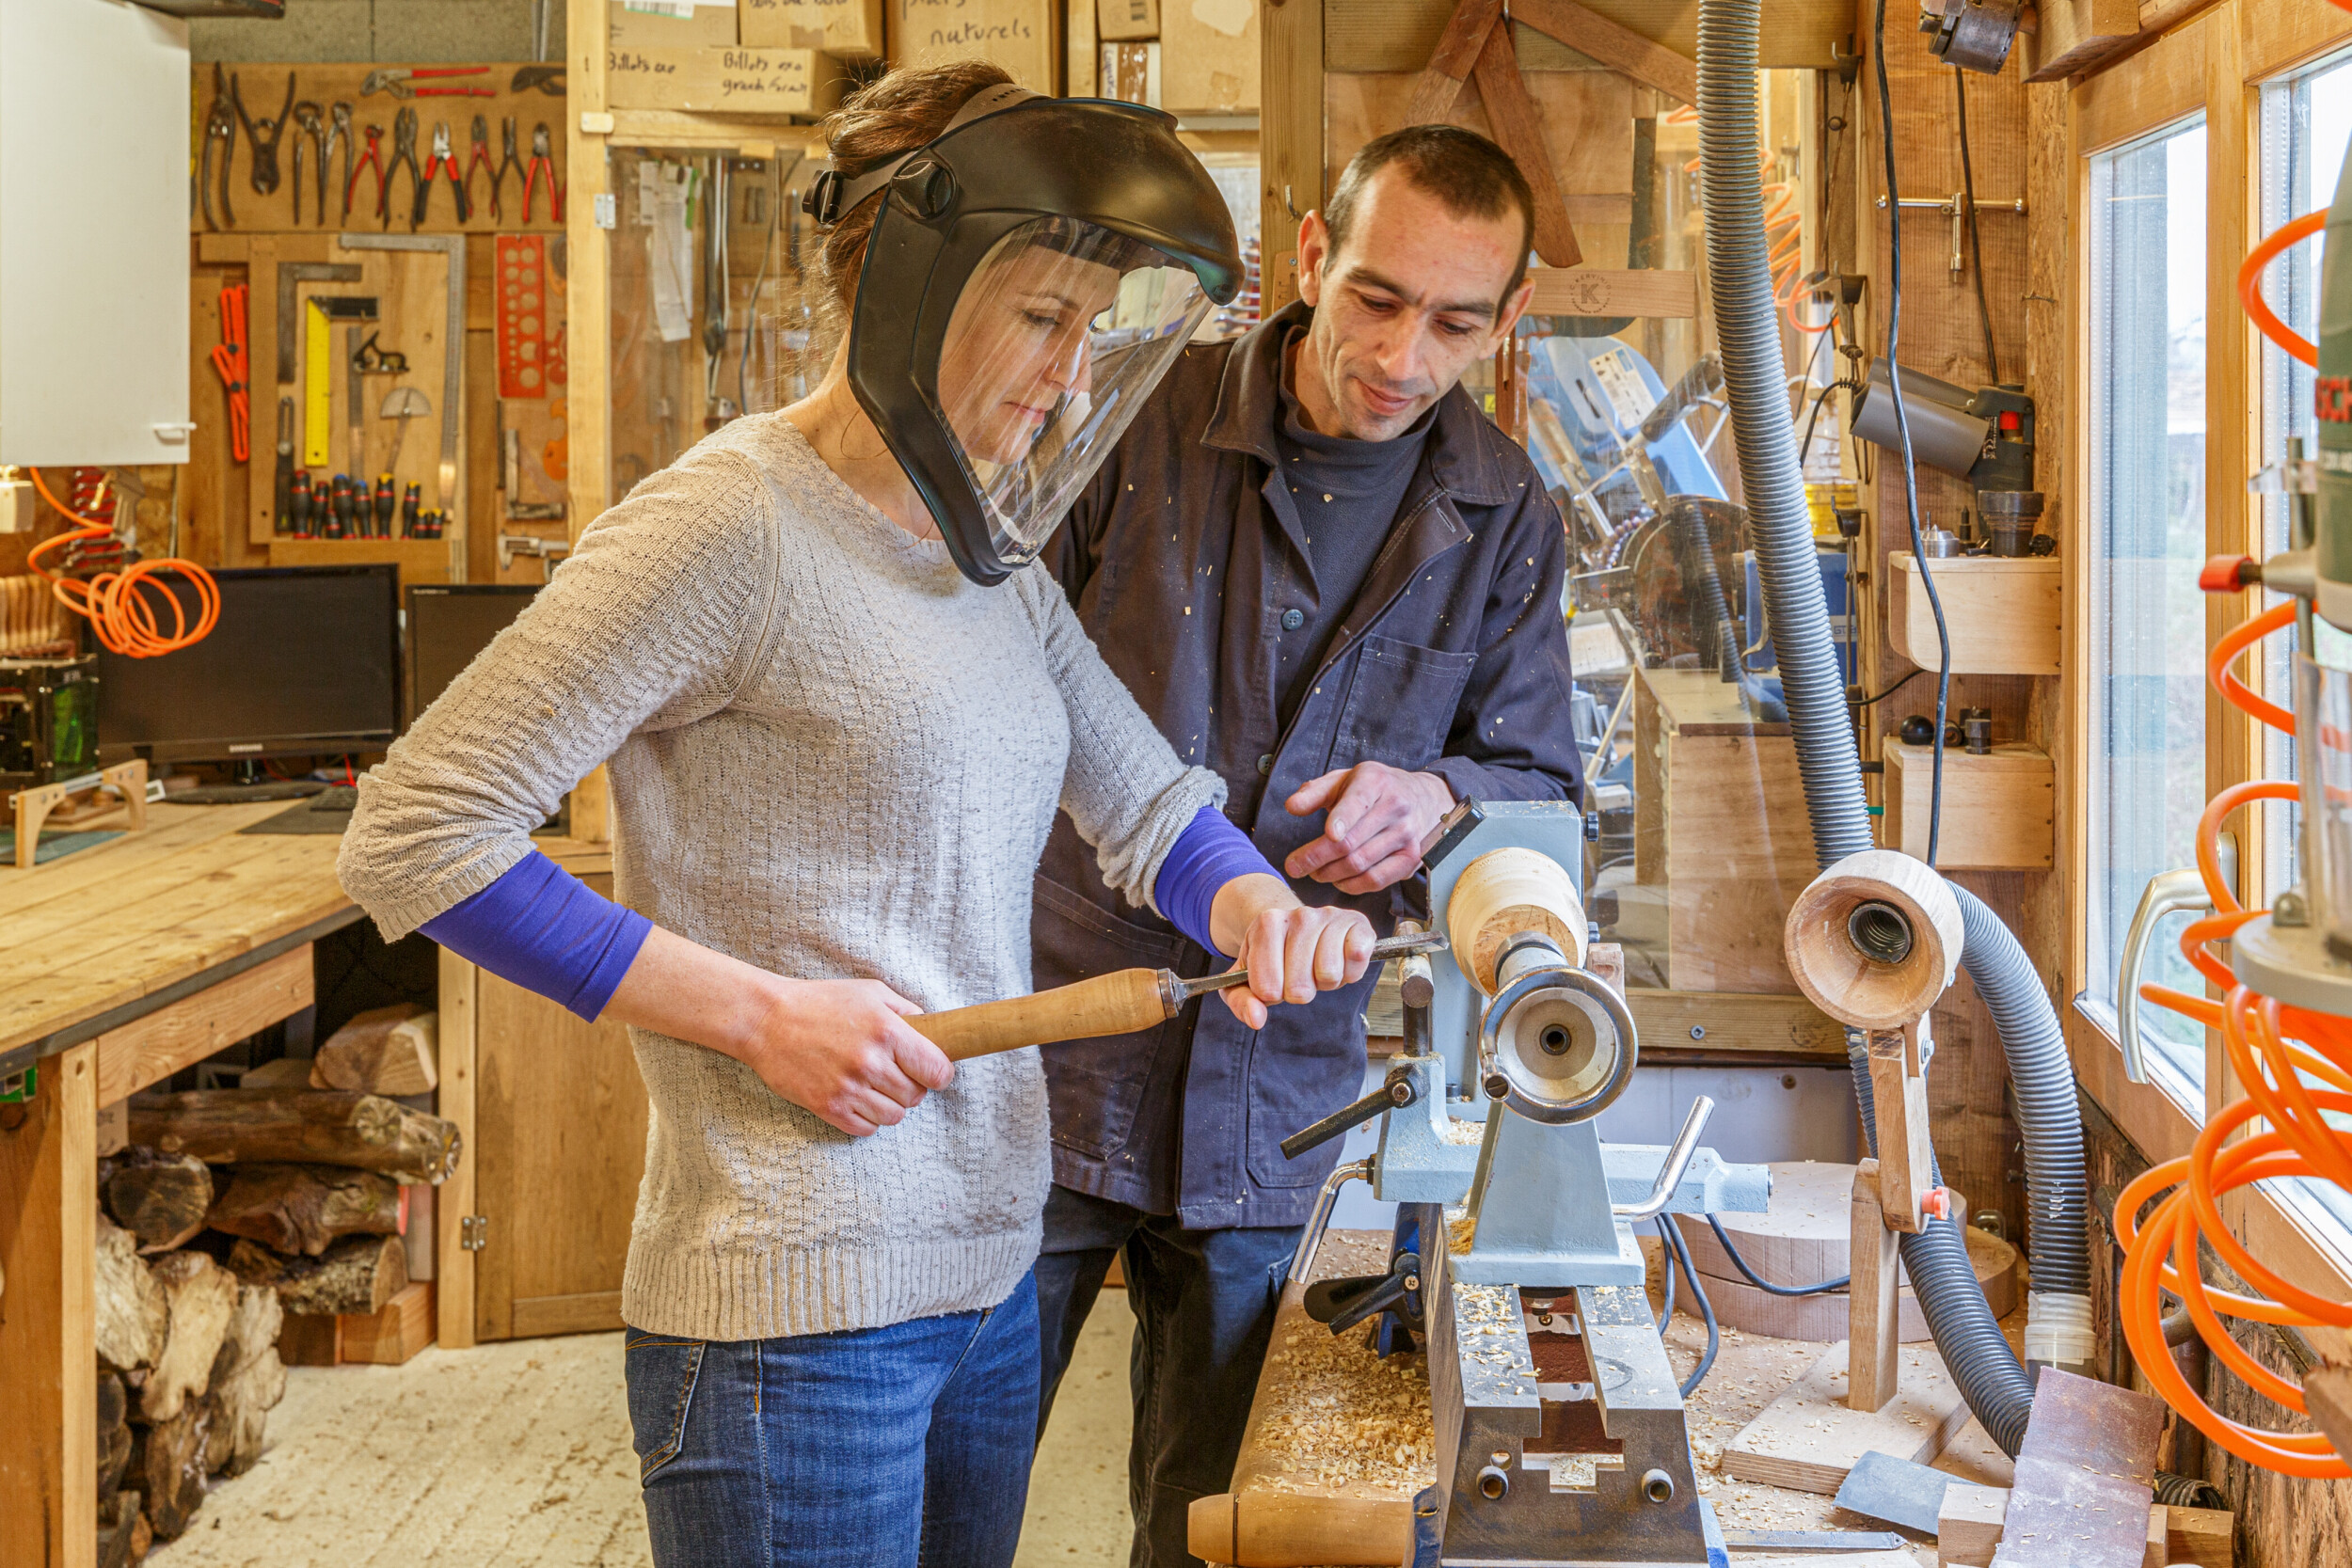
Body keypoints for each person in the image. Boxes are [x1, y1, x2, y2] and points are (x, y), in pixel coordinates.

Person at [337, 63, 1375, 1568]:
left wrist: (1256, 907)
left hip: (984, 1280)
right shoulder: (728, 526)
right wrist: (760, 1019)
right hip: (791, 1313)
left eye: (1093, 333)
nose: (1071, 375)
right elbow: (417, 831)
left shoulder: (993, 556)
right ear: (906, 286)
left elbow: (1148, 803)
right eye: (1039, 318)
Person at [1027, 124, 1585, 1566]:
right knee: (947, 1485)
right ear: (1307, 258)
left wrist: (1440, 797)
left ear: (1511, 317)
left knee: (1214, 1519)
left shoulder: (1506, 513)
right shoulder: (1131, 417)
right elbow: (984, 678)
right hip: (1055, 1031)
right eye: (1376, 300)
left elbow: (1538, 783)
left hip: (1279, 1080)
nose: (1405, 355)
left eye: (1458, 321)